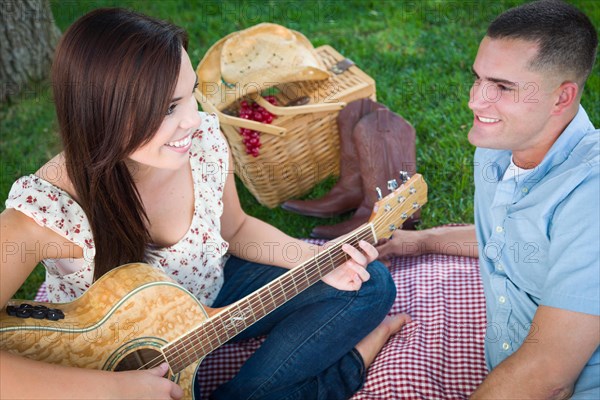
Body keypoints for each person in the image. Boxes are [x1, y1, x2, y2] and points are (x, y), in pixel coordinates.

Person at [0, 8, 409, 400]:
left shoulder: (202, 142)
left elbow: (234, 230)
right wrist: (111, 391)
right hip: (109, 362)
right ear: (101, 115)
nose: (194, 120)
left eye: (190, 94)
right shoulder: (47, 210)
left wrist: (311, 260)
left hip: (212, 301)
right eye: (167, 108)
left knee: (370, 282)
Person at [377, 0, 599, 398]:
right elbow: (512, 241)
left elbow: (549, 375)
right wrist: (422, 240)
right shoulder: (498, 146)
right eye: (478, 78)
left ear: (562, 99)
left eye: (502, 87)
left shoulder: (590, 195)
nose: (475, 101)